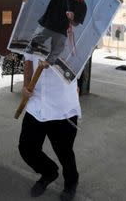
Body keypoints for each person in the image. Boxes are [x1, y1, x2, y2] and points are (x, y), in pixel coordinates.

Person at [18, 53, 81, 201]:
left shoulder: (76, 36)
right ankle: (49, 172)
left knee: (64, 151)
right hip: (37, 102)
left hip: (62, 106)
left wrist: (54, 62)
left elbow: (74, 70)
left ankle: (71, 182)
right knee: (27, 148)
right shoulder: (33, 30)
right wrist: (26, 84)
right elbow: (28, 60)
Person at [25, 0, 90, 65]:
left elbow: (76, 23)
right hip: (45, 26)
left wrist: (72, 18)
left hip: (61, 33)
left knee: (51, 60)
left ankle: (43, 73)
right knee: (29, 51)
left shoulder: (83, 5)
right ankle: (28, 73)